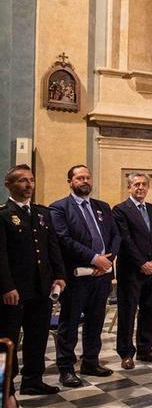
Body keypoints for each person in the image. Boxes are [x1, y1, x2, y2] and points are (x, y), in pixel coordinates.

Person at [0, 165, 65, 401]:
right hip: (15, 291)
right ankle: (6, 389)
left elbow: (52, 247)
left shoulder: (41, 213)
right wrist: (6, 286)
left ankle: (33, 381)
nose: (28, 185)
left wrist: (59, 275)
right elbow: (1, 256)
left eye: (31, 180)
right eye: (22, 181)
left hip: (42, 287)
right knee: (8, 339)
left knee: (37, 336)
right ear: (9, 184)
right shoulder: (3, 214)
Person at [50, 165, 118, 388]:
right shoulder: (59, 208)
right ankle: (66, 368)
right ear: (70, 182)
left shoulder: (102, 206)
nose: (85, 181)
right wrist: (93, 258)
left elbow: (116, 236)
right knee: (69, 323)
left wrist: (107, 260)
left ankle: (91, 361)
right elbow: (64, 239)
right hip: (76, 275)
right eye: (80, 178)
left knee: (96, 321)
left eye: (88, 177)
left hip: (102, 275)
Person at [112, 173, 152, 369]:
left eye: (144, 184)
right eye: (136, 184)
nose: (140, 188)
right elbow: (125, 240)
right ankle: (126, 353)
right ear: (129, 187)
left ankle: (146, 349)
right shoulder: (120, 210)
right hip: (131, 271)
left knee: (150, 311)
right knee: (127, 313)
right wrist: (142, 263)